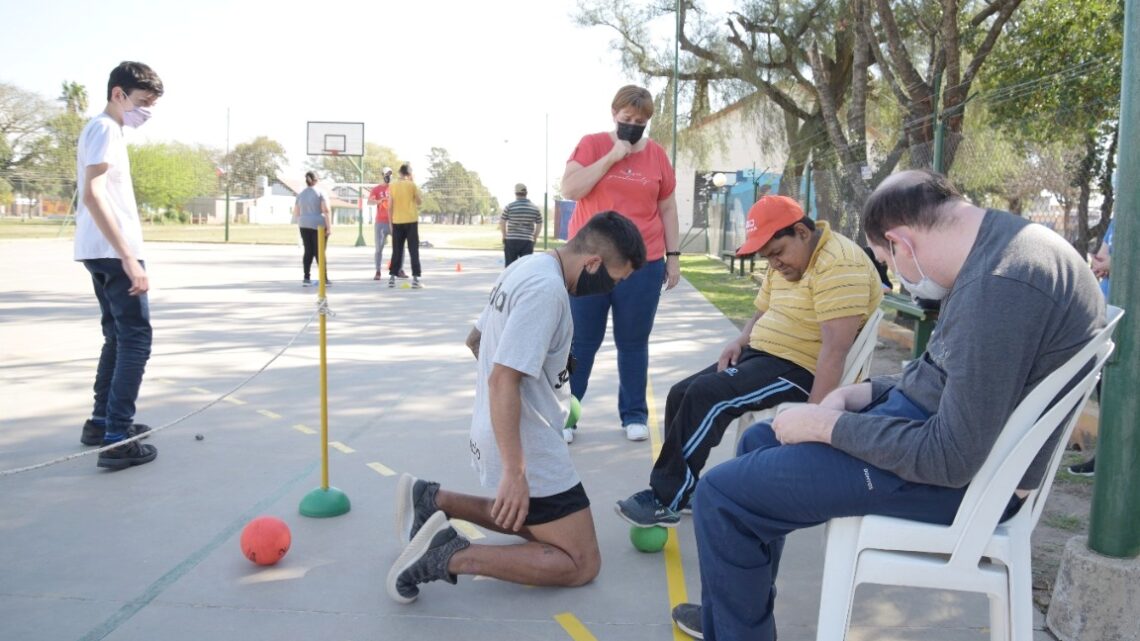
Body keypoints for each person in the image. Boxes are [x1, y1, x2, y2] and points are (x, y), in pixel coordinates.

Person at [669, 170, 1104, 641]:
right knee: (760, 438)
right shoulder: (1001, 246)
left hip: (966, 484)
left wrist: (826, 427)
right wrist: (861, 394)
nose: (897, 277)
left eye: (886, 261)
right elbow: (944, 374)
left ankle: (734, 627)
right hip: (941, 440)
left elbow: (950, 459)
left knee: (721, 496)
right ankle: (733, 616)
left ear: (900, 242)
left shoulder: (1002, 284)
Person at [386, 211, 647, 603]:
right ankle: (443, 556)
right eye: (615, 279)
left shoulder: (526, 266)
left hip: (505, 429)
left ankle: (431, 501)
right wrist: (515, 470)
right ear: (593, 263)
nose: (612, 289)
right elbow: (503, 379)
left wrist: (530, 381)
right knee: (581, 562)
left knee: (538, 524)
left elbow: (476, 340)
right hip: (529, 442)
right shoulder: (547, 291)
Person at [616, 195, 883, 527]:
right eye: (766, 257)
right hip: (764, 355)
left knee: (706, 395)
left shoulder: (839, 264)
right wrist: (740, 340)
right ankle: (682, 490)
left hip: (799, 368)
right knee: (681, 392)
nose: (774, 263)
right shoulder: (788, 260)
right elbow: (762, 309)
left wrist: (812, 419)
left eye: (777, 253)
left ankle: (663, 499)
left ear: (801, 232)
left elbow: (834, 351)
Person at [560, 85, 680, 444]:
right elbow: (570, 189)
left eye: (640, 121)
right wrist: (612, 157)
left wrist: (673, 257)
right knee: (582, 342)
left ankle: (634, 415)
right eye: (627, 118)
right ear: (614, 114)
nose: (633, 125)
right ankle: (568, 416)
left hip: (643, 263)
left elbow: (667, 208)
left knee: (633, 342)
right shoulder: (592, 144)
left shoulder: (657, 155)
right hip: (591, 261)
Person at [74, 61, 164, 469]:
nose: (146, 110)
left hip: (100, 249)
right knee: (135, 340)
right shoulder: (106, 129)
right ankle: (116, 437)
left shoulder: (101, 129)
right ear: (118, 94)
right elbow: (93, 194)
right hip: (113, 251)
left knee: (116, 336)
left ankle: (102, 423)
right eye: (143, 101)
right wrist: (128, 257)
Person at [1068, 216, 1115, 477]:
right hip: (1108, 312)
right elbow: (1103, 254)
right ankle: (1105, 457)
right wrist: (1102, 263)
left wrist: (1114, 264)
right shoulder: (1118, 217)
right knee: (1106, 390)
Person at [388, 163, 424, 289]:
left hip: (397, 221)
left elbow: (390, 206)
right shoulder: (412, 185)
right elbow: (419, 202)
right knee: (413, 250)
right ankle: (416, 279)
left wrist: (390, 223)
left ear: (400, 173)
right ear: (409, 174)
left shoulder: (392, 186)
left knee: (397, 250)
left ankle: (392, 278)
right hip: (411, 221)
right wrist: (413, 183)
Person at [294, 171, 331, 287]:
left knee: (308, 251)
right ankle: (324, 279)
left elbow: (296, 212)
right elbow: (326, 210)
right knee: (319, 251)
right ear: (316, 180)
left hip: (303, 224)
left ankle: (306, 278)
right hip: (318, 225)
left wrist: (302, 221)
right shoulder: (320, 192)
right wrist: (329, 228)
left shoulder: (300, 194)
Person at [368, 166, 404, 280]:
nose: (389, 176)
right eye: (387, 174)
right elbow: (369, 202)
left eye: (390, 174)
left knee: (400, 246)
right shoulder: (376, 189)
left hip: (395, 221)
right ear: (383, 175)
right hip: (381, 223)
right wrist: (379, 201)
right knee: (379, 248)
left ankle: (399, 269)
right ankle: (378, 271)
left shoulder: (395, 188)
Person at [500, 183, 542, 266]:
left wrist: (504, 235)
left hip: (511, 240)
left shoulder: (510, 207)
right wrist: (535, 237)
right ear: (526, 193)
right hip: (527, 241)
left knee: (510, 267)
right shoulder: (535, 208)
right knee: (525, 267)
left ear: (515, 193)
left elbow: (502, 221)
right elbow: (539, 224)